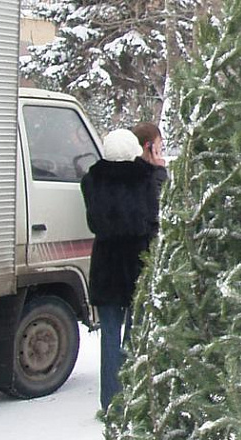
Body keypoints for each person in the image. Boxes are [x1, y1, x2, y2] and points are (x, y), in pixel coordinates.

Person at [81, 128, 161, 411]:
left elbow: (94, 223)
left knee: (109, 337)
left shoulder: (91, 181)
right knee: (135, 334)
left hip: (105, 265)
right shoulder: (146, 179)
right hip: (137, 264)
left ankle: (110, 401)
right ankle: (133, 396)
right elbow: (153, 219)